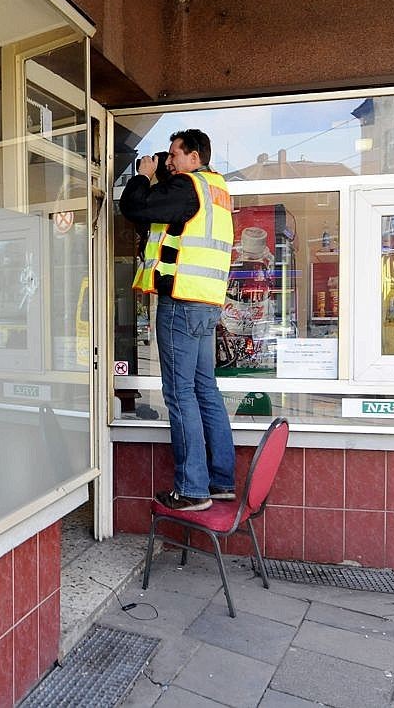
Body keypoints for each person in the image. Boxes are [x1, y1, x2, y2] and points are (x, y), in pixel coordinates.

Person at [120, 129, 235, 511]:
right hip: (206, 304)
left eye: (174, 154)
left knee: (179, 394)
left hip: (182, 303)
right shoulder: (216, 192)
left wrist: (143, 175)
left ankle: (192, 489)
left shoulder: (188, 187)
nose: (169, 161)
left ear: (193, 157)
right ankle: (221, 481)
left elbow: (136, 207)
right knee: (206, 391)